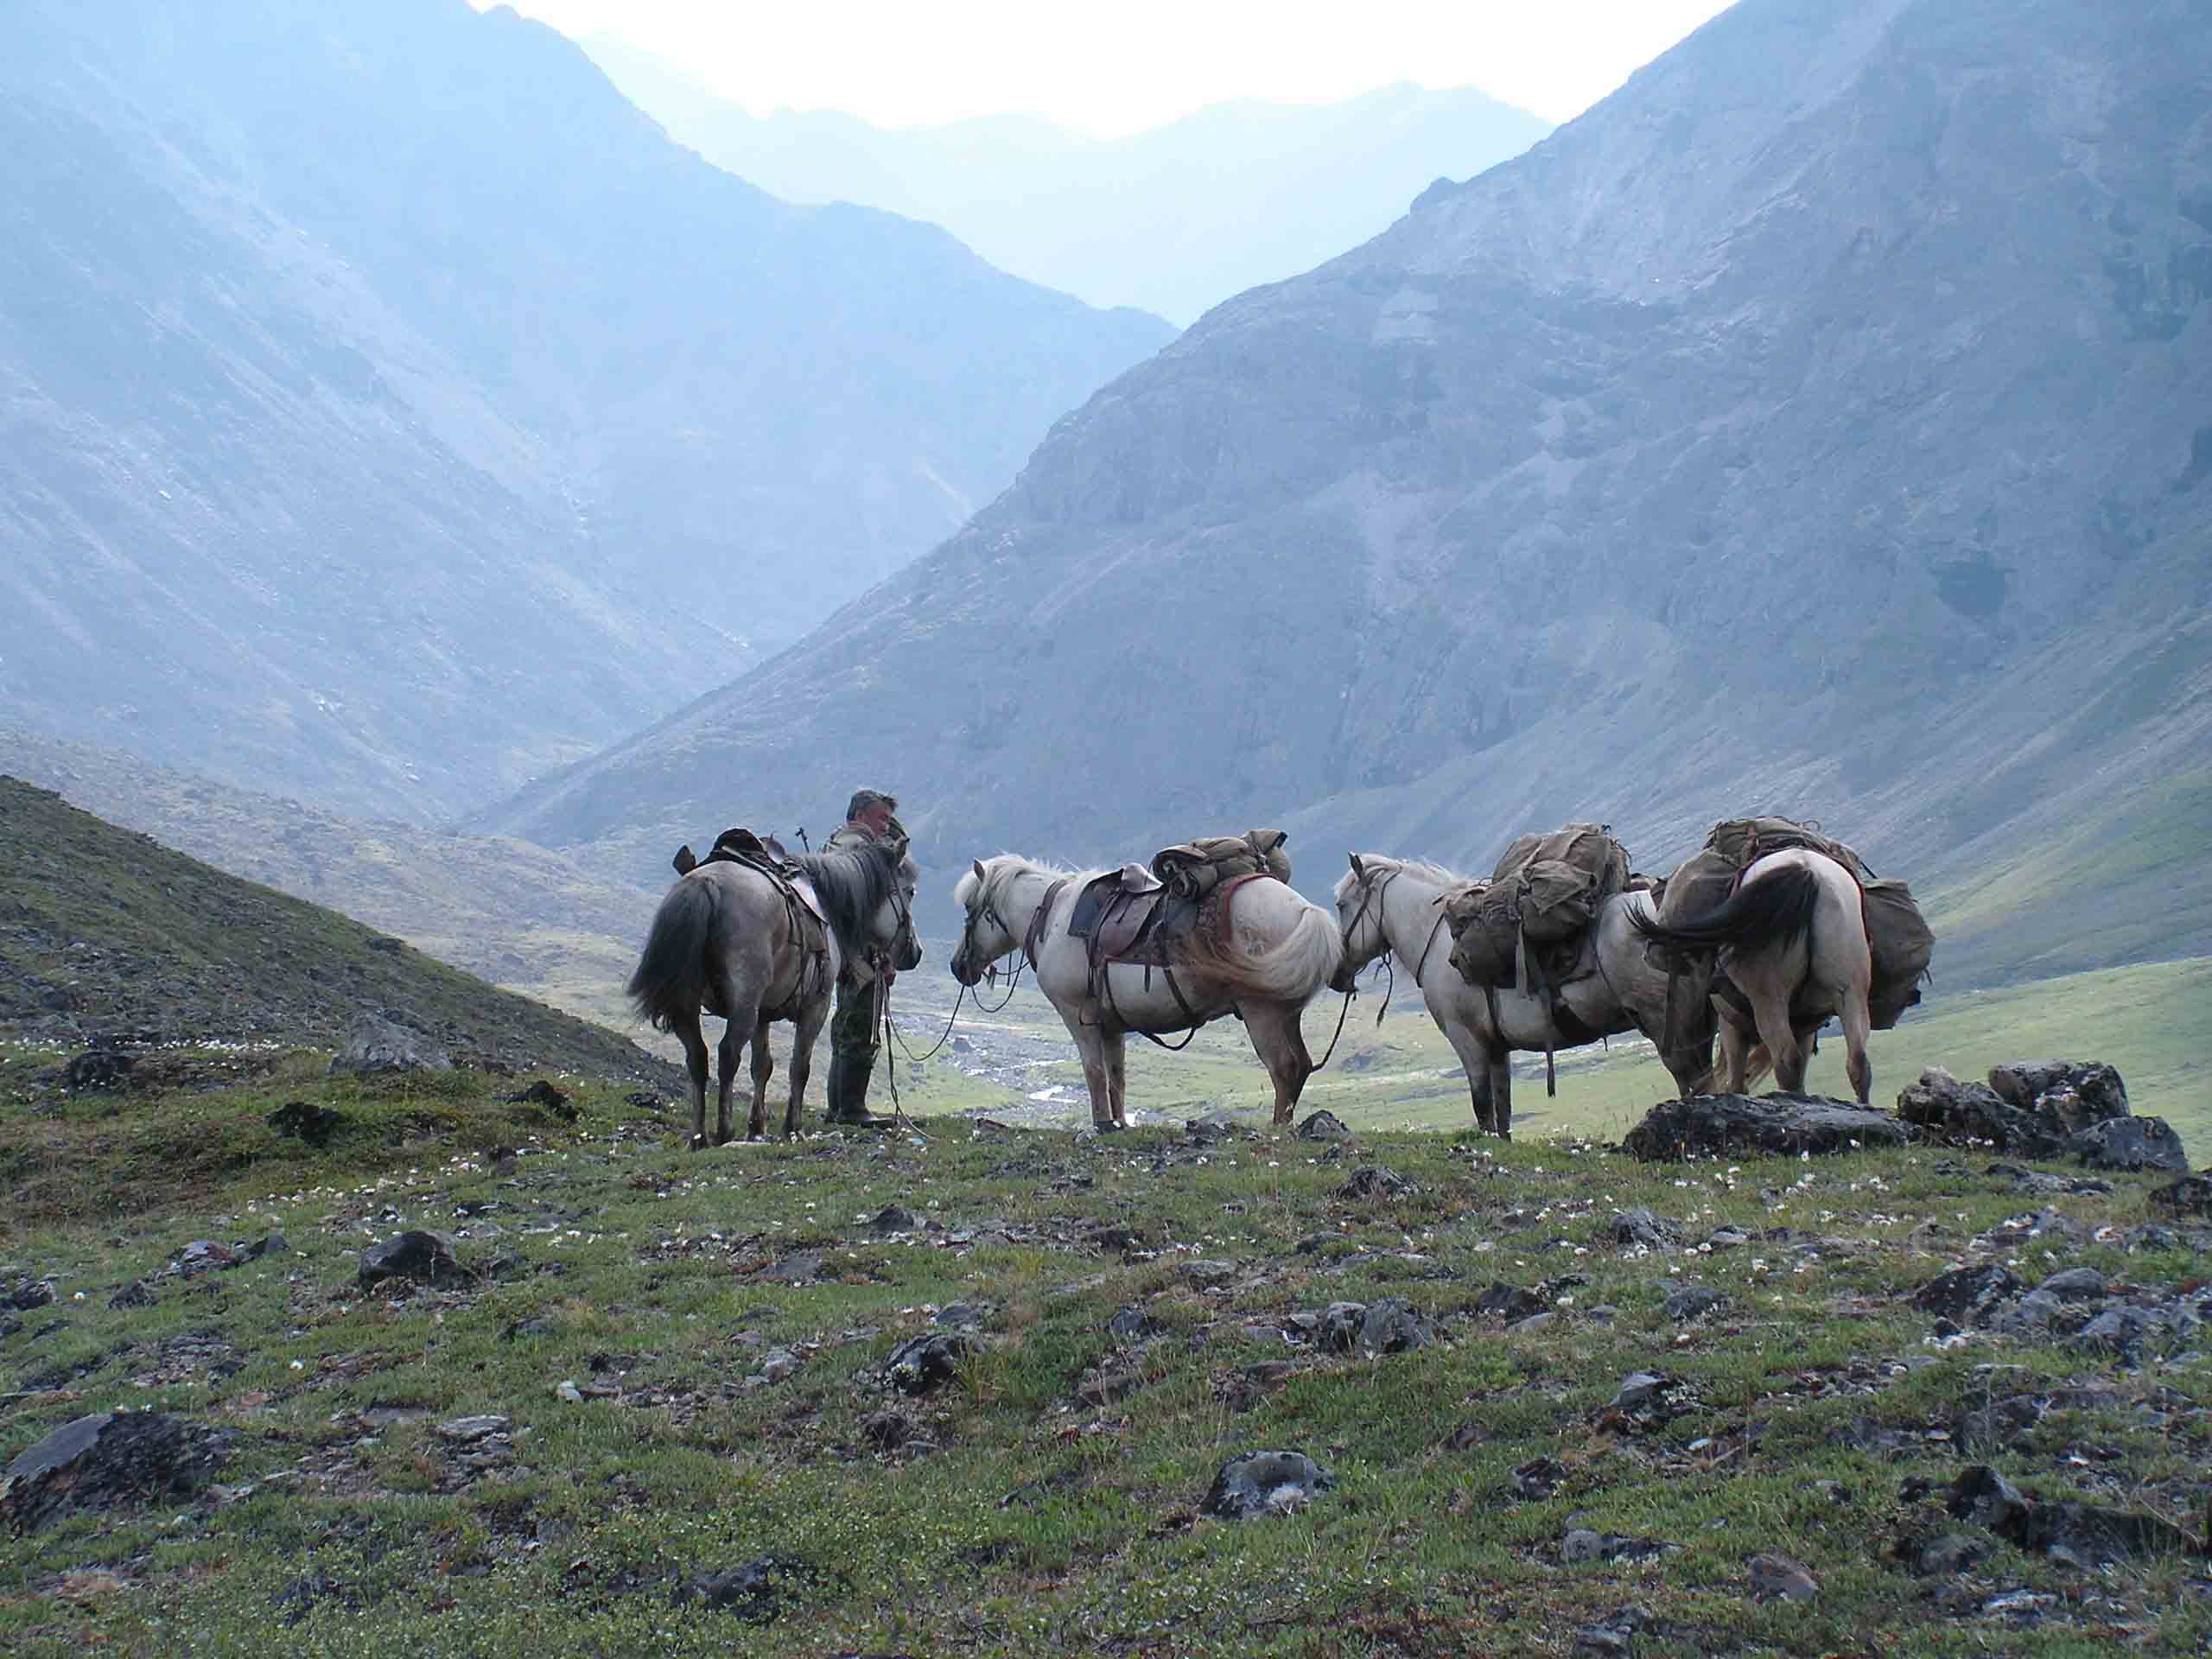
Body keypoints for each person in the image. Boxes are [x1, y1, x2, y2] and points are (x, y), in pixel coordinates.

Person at [823, 788, 900, 1127]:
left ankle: (837, 1108)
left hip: (837, 954)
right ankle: (852, 1110)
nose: (886, 826)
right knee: (862, 1028)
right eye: (882, 818)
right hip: (862, 959)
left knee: (844, 1027)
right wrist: (882, 957)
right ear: (861, 814)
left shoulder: (834, 845)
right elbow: (867, 914)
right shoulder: (862, 853)